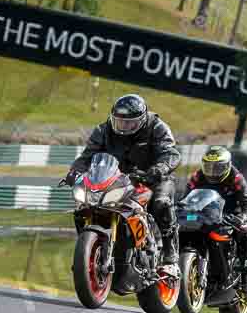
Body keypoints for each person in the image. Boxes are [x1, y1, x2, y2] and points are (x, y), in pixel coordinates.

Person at [65, 94, 181, 272]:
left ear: (142, 120)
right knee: (83, 205)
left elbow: (171, 153)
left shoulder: (156, 126)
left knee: (160, 203)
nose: (123, 126)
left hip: (152, 178)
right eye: (119, 121)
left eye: (129, 123)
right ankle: (88, 250)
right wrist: (74, 173)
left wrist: (159, 169)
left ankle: (170, 255)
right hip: (118, 180)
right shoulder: (103, 130)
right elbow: (86, 157)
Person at [186, 146, 247, 298]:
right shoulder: (197, 177)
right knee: (182, 227)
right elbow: (186, 199)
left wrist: (244, 216)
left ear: (227, 166)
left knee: (244, 229)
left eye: (217, 167)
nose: (212, 171)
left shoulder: (236, 177)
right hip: (206, 214)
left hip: (231, 213)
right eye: (208, 166)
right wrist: (180, 210)